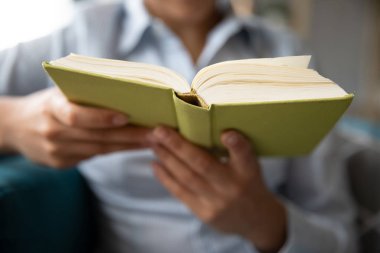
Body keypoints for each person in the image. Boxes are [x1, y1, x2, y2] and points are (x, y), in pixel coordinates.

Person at [0, 0, 357, 252]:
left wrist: (267, 223)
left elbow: (342, 235)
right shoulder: (82, 36)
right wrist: (14, 124)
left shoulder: (286, 53)